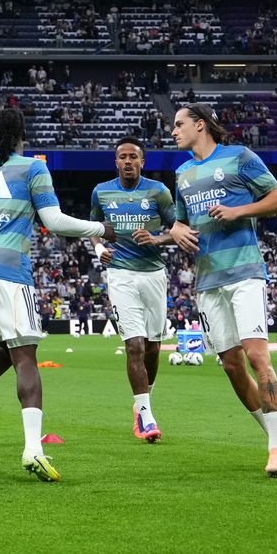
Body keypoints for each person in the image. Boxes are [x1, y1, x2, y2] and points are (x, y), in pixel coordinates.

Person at [0, 106, 111, 481]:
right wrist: (100, 229)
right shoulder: (33, 168)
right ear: (21, 135)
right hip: (10, 270)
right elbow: (53, 221)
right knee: (27, 356)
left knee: (6, 349)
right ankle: (33, 449)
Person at [169, 103, 277, 477]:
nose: (174, 131)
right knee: (230, 365)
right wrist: (175, 230)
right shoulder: (182, 174)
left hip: (245, 274)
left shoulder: (240, 157)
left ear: (200, 125)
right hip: (207, 280)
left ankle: (276, 450)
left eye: (179, 125)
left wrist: (238, 211)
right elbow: (181, 222)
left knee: (259, 358)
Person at [90, 136, 178, 442]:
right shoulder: (101, 191)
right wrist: (99, 249)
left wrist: (158, 239)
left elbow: (178, 229)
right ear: (116, 162)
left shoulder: (158, 191)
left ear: (142, 162)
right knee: (135, 346)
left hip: (154, 274)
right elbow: (94, 229)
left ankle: (143, 404)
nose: (128, 161)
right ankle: (145, 416)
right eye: (122, 157)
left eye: (133, 157)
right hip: (120, 276)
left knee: (153, 348)